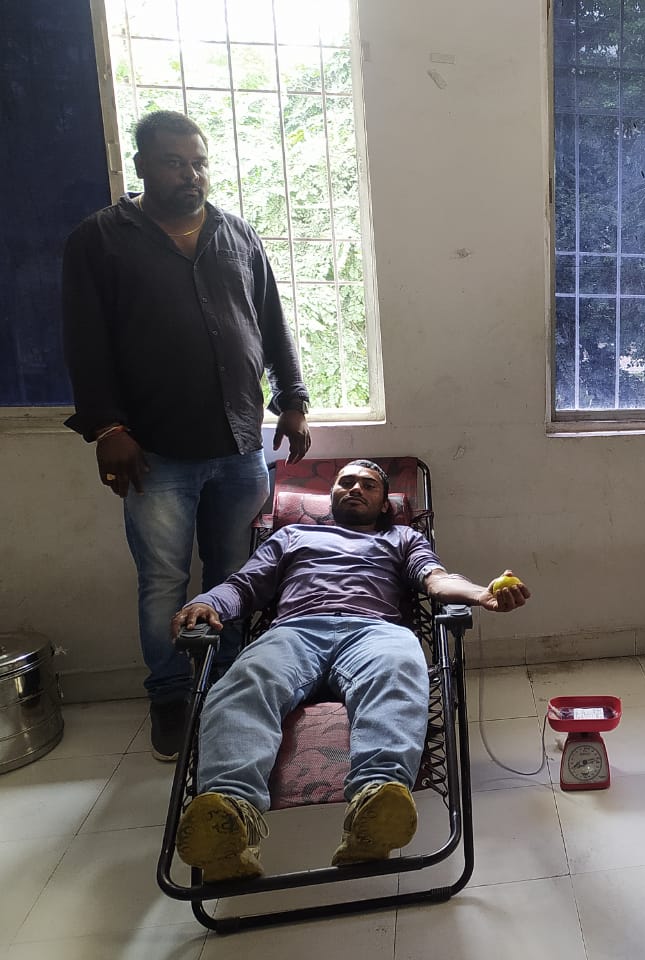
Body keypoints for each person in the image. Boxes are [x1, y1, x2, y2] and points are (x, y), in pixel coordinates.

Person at [62, 110, 311, 761]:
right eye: (174, 163)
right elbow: (85, 343)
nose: (190, 175)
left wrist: (293, 400)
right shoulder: (100, 240)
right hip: (155, 452)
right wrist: (107, 427)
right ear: (143, 165)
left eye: (198, 162)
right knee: (163, 582)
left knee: (233, 576)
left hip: (239, 447)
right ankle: (171, 697)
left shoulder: (237, 234)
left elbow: (272, 324)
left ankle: (226, 686)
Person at [168, 459, 532, 881]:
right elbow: (245, 584)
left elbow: (435, 580)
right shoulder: (292, 535)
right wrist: (207, 602)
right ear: (332, 496)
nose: (355, 488)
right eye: (346, 482)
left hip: (374, 631)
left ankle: (375, 803)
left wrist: (481, 593)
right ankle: (228, 817)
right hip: (296, 630)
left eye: (369, 485)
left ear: (385, 504)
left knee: (400, 667)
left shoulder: (402, 537)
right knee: (244, 683)